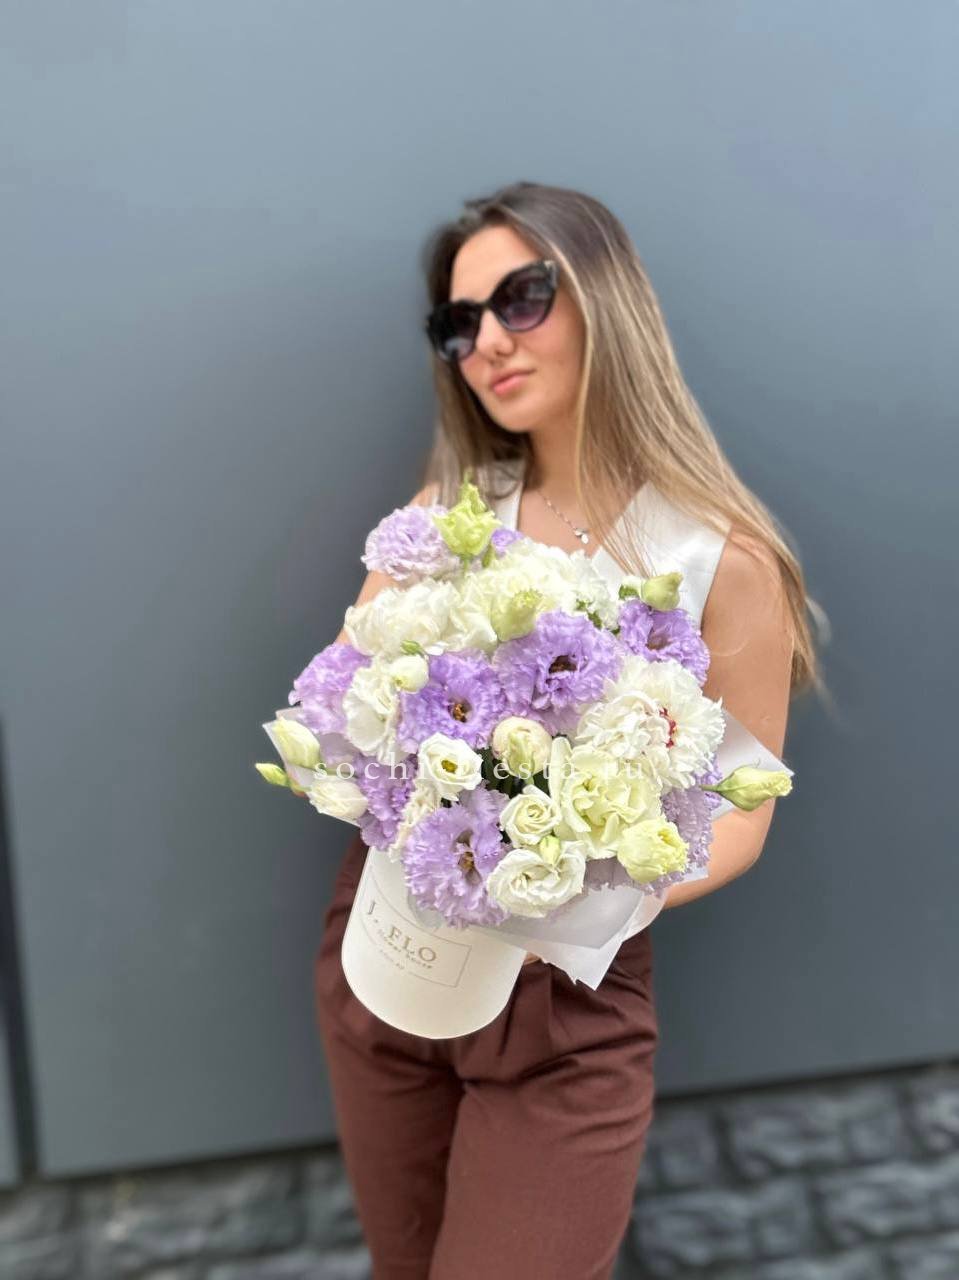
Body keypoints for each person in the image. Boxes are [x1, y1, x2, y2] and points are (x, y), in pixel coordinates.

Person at [314, 180, 827, 1279]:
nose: (488, 342)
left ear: (605, 300)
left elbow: (741, 814)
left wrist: (564, 889)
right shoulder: (443, 516)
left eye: (521, 297)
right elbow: (345, 711)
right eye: (459, 323)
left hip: (562, 1001)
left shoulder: (719, 559)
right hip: (387, 948)